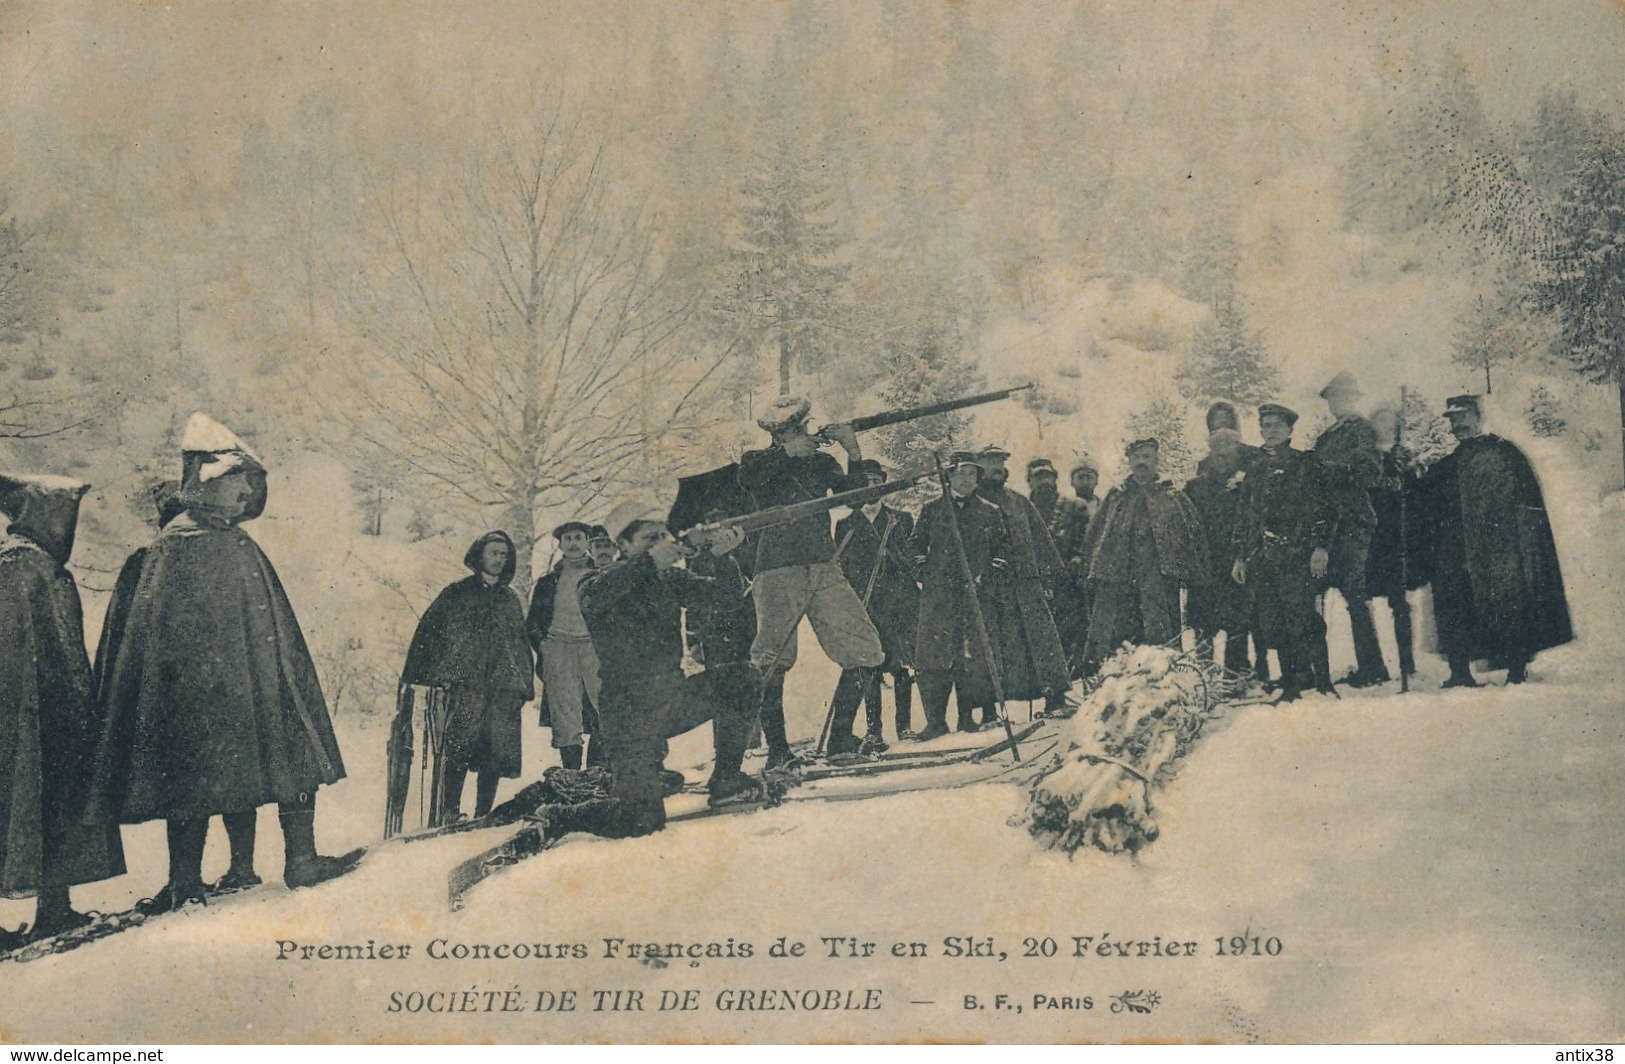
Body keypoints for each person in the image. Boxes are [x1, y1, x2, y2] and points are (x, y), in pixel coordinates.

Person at [88, 414, 361, 912]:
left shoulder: (226, 541)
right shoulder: (183, 542)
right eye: (234, 484)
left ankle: (289, 861)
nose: (243, 495)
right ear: (204, 486)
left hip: (243, 691)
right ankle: (188, 881)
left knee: (291, 744)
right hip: (204, 696)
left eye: (246, 486)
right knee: (194, 771)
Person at [0, 474, 126, 944]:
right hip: (52, 719)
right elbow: (70, 654)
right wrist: (86, 711)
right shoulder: (46, 573)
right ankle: (55, 908)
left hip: (8, 721)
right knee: (54, 801)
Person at [579, 516, 757, 829]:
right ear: (623, 545)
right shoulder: (598, 579)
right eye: (650, 539)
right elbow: (594, 597)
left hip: (671, 700)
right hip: (629, 718)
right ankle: (560, 817)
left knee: (743, 678)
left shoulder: (669, 580)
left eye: (663, 537)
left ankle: (727, 781)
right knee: (641, 821)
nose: (660, 544)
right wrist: (649, 561)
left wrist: (723, 558)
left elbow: (728, 599)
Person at [736, 396, 885, 767]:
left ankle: (840, 743)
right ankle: (778, 752)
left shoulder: (822, 462)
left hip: (823, 563)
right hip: (775, 567)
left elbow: (855, 500)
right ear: (778, 435)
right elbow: (749, 481)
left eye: (802, 428)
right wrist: (787, 454)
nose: (802, 434)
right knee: (771, 659)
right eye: (792, 431)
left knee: (864, 646)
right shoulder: (757, 461)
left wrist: (852, 449)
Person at [1420, 395, 1571, 687]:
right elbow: (1427, 501)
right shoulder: (1447, 466)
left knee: (1508, 603)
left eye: (1463, 417)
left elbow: (1528, 504)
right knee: (1454, 601)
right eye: (1452, 420)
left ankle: (1516, 668)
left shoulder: (1505, 454)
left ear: (1479, 416)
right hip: (1460, 549)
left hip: (1501, 547)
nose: (1457, 425)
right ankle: (1460, 672)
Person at [402, 531, 535, 822]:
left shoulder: (509, 599)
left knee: (494, 751)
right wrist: (426, 674)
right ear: (480, 555)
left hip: (501, 689)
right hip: (466, 686)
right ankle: (449, 811)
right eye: (494, 553)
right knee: (459, 747)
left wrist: (523, 686)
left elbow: (519, 644)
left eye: (504, 554)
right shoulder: (456, 593)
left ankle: (482, 813)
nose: (500, 559)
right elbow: (429, 631)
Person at [1231, 403, 1337, 702]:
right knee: (1273, 623)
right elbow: (1245, 515)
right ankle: (1290, 687)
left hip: (1297, 557)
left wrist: (1320, 547)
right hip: (1263, 558)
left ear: (1290, 430)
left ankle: (1324, 683)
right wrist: (1240, 556)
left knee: (1304, 620)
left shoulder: (1305, 465)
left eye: (1278, 425)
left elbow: (1324, 510)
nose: (1272, 430)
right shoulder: (1254, 469)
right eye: (1266, 425)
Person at [1080, 439, 1209, 668]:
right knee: (1121, 640)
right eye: (1137, 457)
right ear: (1129, 461)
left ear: (1157, 459)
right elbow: (1096, 536)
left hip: (1159, 581)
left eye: (1147, 456)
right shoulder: (1116, 497)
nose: (1141, 462)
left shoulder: (1172, 496)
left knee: (1161, 640)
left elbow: (1193, 536)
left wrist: (1189, 572)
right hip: (1120, 581)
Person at [910, 452, 1010, 740]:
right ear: (949, 477)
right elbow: (915, 546)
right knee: (935, 656)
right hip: (939, 597)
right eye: (960, 473)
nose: (966, 479)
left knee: (974, 654)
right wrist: (924, 572)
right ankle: (936, 721)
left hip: (976, 593)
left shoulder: (990, 511)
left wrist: (988, 574)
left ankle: (969, 717)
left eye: (972, 474)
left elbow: (1003, 551)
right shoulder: (932, 510)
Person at [974, 444, 1070, 718]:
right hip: (991, 586)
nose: (996, 467)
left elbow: (1042, 541)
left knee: (1042, 641)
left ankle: (1055, 699)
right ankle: (989, 710)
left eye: (1000, 461)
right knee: (993, 644)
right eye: (990, 461)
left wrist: (1050, 577)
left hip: (1027, 584)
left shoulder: (1018, 502)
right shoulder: (972, 503)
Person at [832, 459, 919, 748]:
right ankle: (873, 729)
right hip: (864, 605)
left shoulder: (901, 518)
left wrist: (890, 555)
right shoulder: (846, 524)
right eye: (865, 482)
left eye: (876, 481)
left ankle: (904, 726)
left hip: (898, 603)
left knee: (901, 666)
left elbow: (911, 560)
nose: (871, 487)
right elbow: (841, 567)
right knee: (869, 666)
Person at [1312, 372, 1388, 687]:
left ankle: (1372, 667)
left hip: (1353, 521)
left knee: (1355, 594)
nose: (1336, 402)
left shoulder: (1363, 430)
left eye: (1342, 396)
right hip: (1327, 524)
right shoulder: (1325, 438)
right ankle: (1315, 671)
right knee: (1316, 590)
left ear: (1354, 399)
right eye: (1332, 397)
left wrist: (1331, 471)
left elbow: (1370, 472)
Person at [1183, 404, 1262, 676]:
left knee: (1239, 615)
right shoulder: (1197, 483)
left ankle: (1236, 671)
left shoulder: (1252, 461)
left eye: (1228, 444)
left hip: (1238, 554)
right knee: (1202, 617)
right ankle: (1203, 674)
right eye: (1216, 446)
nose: (1222, 452)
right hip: (1207, 558)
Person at [526, 521, 603, 770]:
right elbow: (533, 622)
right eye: (567, 538)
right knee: (566, 714)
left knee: (605, 707)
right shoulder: (548, 582)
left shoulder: (602, 575)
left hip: (594, 648)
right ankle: (572, 776)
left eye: (578, 537)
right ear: (560, 544)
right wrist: (544, 647)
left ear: (587, 542)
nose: (573, 543)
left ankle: (597, 773)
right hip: (559, 647)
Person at [1366, 404, 1429, 683]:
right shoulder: (1366, 457)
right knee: (1362, 598)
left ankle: (1407, 662)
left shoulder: (1403, 458)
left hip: (1397, 537)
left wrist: (1408, 473)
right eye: (1379, 423)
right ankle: (1372, 664)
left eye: (1390, 424)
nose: (1385, 428)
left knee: (1399, 602)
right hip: (1370, 538)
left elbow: (1416, 498)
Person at [1050, 456, 1102, 676]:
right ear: (1072, 482)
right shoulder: (1065, 507)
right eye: (1080, 477)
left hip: (1100, 574)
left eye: (1090, 477)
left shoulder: (1105, 505)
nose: (1085, 481)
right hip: (1074, 578)